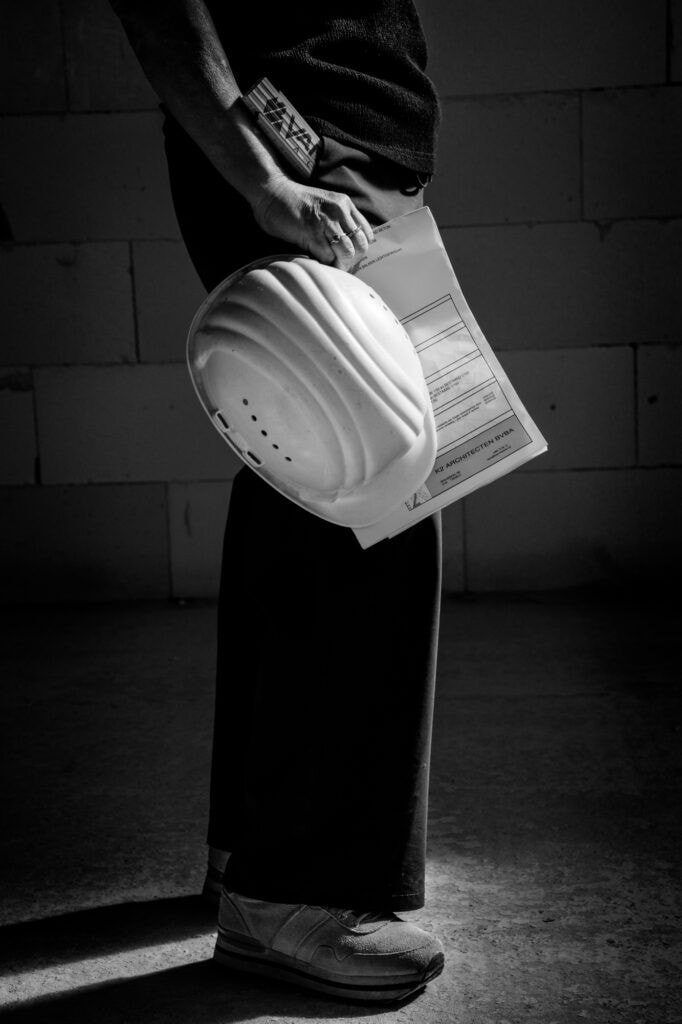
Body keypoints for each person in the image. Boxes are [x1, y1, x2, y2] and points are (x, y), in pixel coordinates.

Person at [111, 0, 444, 1004]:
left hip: (323, 150)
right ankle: (296, 891)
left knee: (308, 492)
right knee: (373, 493)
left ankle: (256, 854)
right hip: (300, 150)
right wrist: (263, 176)